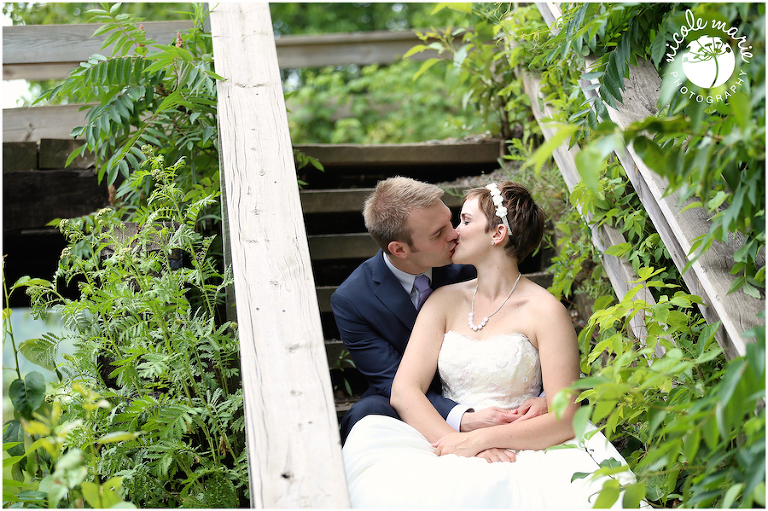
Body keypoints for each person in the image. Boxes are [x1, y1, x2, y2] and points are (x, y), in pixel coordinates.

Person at [342, 181, 638, 508]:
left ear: (497, 235)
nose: (455, 233)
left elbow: (566, 414)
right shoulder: (441, 299)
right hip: (448, 434)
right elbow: (404, 389)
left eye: (464, 221)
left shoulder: (546, 311)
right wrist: (461, 440)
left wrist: (486, 437)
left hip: (522, 439)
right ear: (400, 248)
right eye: (449, 227)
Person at [331, 177, 547, 450]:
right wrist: (462, 420)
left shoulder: (471, 260)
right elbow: (394, 383)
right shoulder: (353, 300)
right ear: (400, 249)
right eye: (438, 233)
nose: (455, 234)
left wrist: (546, 397)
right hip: (416, 400)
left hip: (497, 400)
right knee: (367, 414)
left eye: (452, 220)